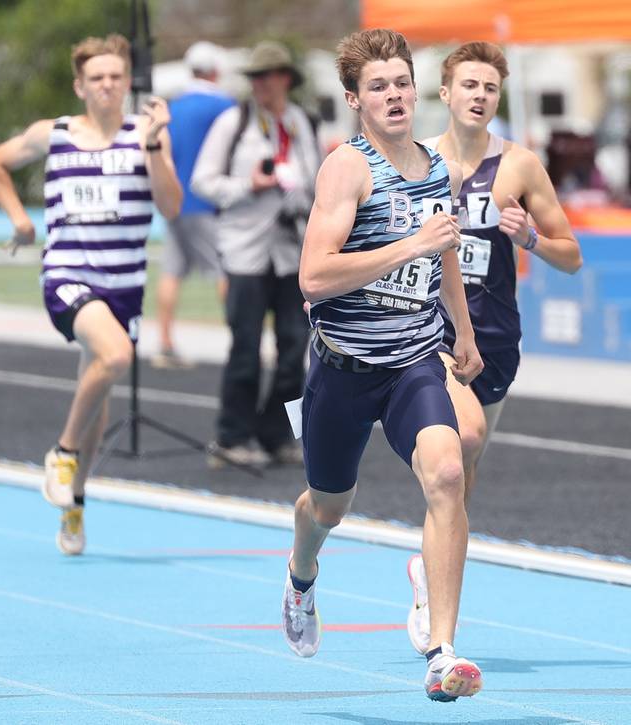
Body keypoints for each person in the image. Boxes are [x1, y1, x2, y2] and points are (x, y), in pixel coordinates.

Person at [281, 29, 485, 702]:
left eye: (400, 82)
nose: (393, 95)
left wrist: (461, 328)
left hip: (413, 363)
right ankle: (302, 572)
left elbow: (444, 250)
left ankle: (442, 650)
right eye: (378, 86)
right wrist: (407, 245)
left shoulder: (438, 167)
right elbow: (314, 275)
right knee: (329, 506)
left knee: (449, 471)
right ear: (354, 100)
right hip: (343, 368)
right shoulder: (348, 167)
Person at [405, 41, 582, 656]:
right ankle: (435, 598)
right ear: (445, 92)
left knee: (466, 474)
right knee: (462, 446)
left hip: (496, 338)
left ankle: (429, 566)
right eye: (469, 85)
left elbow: (572, 255)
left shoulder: (521, 167)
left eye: (490, 88)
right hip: (431, 334)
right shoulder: (416, 160)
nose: (480, 96)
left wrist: (530, 237)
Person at [0, 35, 182, 555]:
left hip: (123, 285)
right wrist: (21, 220)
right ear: (80, 86)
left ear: (127, 82)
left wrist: (157, 143)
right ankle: (62, 454)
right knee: (116, 355)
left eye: (116, 76)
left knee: (101, 402)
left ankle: (74, 502)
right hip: (68, 275)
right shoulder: (54, 134)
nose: (108, 85)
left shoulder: (146, 134)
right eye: (97, 78)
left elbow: (172, 206)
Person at [191, 40, 322, 468]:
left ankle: (279, 435)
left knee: (294, 351)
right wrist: (250, 186)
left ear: (285, 78)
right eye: (256, 77)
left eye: (268, 76)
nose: (261, 84)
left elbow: (317, 181)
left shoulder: (301, 122)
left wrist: (299, 196)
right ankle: (231, 438)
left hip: (290, 252)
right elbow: (203, 182)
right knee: (245, 349)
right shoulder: (234, 121)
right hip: (244, 252)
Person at [152, 41, 235, 370]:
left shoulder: (174, 106)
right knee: (225, 271)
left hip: (176, 202)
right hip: (208, 202)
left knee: (171, 271)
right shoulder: (224, 105)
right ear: (216, 69)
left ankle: (165, 341)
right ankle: (241, 339)